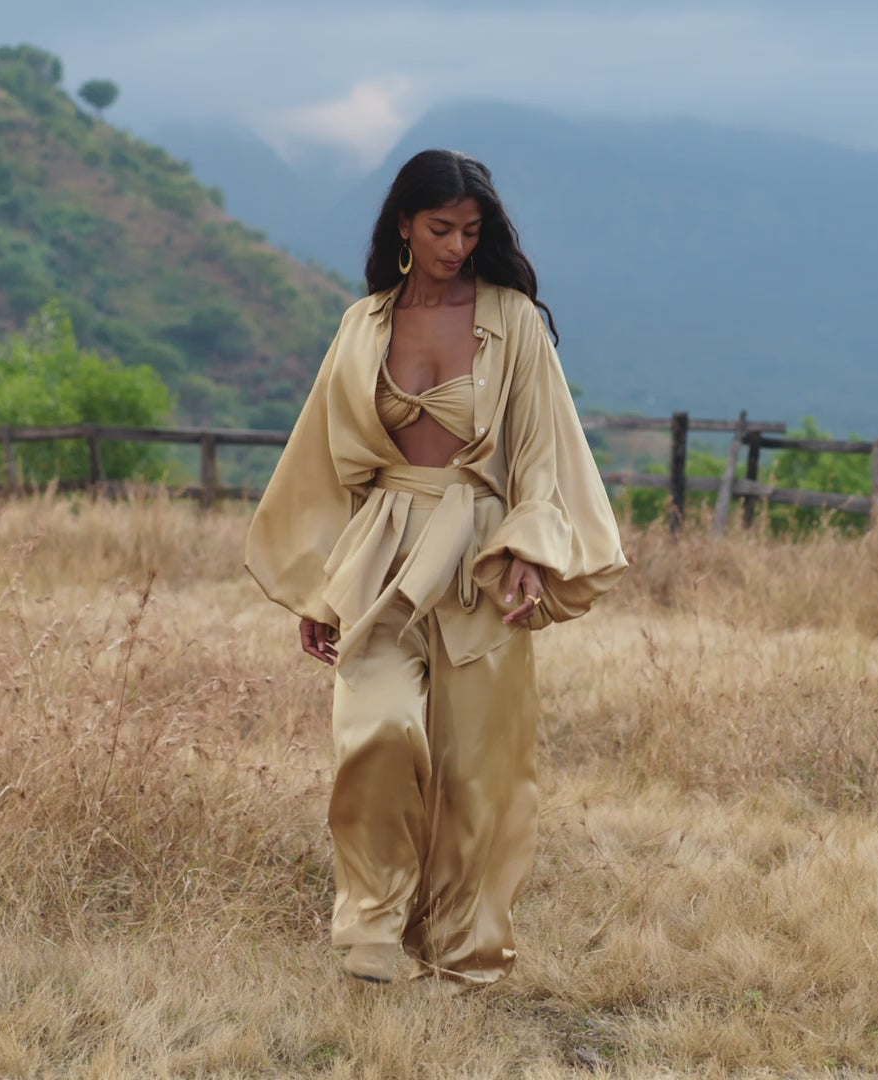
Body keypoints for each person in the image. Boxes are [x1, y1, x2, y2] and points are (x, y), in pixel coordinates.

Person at [245, 149, 626, 992]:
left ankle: (462, 955)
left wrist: (532, 543)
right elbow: (323, 459)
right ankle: (372, 927)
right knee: (374, 730)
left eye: (473, 230)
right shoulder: (362, 324)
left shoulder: (514, 321)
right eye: (442, 228)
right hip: (381, 548)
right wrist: (320, 586)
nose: (458, 245)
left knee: (473, 773)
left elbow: (542, 448)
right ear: (404, 226)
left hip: (478, 554)